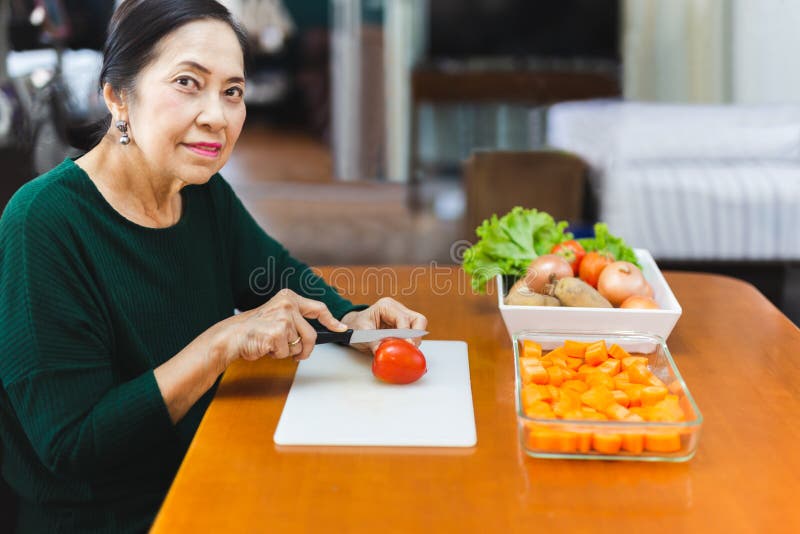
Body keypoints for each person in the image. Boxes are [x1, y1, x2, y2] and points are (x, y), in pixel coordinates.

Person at [0, 1, 427, 532]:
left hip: (205, 468)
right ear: (118, 97)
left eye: (233, 91)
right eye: (187, 82)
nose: (218, 116)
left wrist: (352, 319)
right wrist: (222, 341)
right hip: (108, 516)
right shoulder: (43, 221)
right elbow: (73, 446)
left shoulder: (199, 192)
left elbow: (276, 277)